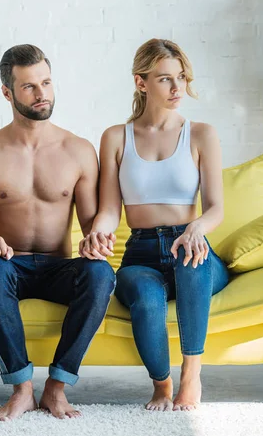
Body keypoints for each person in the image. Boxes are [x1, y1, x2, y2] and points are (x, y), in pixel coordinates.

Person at [0, 44, 115, 421]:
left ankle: (56, 388)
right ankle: (22, 390)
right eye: (28, 86)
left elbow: (92, 223)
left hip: (59, 266)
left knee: (101, 274)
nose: (41, 94)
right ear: (7, 93)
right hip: (8, 266)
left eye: (46, 82)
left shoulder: (78, 150)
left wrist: (95, 238)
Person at [79, 38, 229, 412]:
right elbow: (111, 209)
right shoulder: (116, 137)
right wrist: (99, 230)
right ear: (141, 82)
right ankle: (162, 385)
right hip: (140, 253)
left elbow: (215, 208)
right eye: (165, 79)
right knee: (146, 299)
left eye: (181, 77)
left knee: (191, 261)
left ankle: (191, 374)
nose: (178, 88)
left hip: (192, 246)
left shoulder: (201, 134)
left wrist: (196, 228)